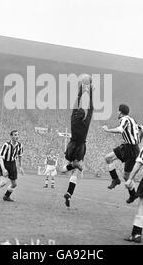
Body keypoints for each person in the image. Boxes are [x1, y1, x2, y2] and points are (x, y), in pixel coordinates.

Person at [102, 104, 143, 204]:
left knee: (126, 176)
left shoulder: (124, 119)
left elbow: (120, 130)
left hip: (131, 150)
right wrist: (138, 140)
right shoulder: (133, 120)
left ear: (121, 112)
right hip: (128, 147)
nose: (117, 113)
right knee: (108, 158)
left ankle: (133, 194)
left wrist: (107, 130)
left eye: (118, 111)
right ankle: (115, 180)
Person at [62, 80, 94, 208]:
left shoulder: (73, 120)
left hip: (71, 146)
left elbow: (75, 104)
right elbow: (91, 108)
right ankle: (70, 192)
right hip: (81, 147)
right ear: (84, 115)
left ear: (76, 114)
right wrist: (91, 92)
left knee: (64, 169)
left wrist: (81, 91)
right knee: (76, 173)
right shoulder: (85, 123)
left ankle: (69, 193)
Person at [0, 130, 24, 203]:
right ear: (11, 136)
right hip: (4, 163)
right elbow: (0, 157)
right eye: (15, 135)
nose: (17, 136)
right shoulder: (6, 145)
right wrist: (3, 169)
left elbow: (20, 156)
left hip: (12, 164)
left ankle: (6, 196)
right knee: (3, 182)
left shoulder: (20, 145)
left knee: (14, 184)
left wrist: (20, 166)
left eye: (18, 135)